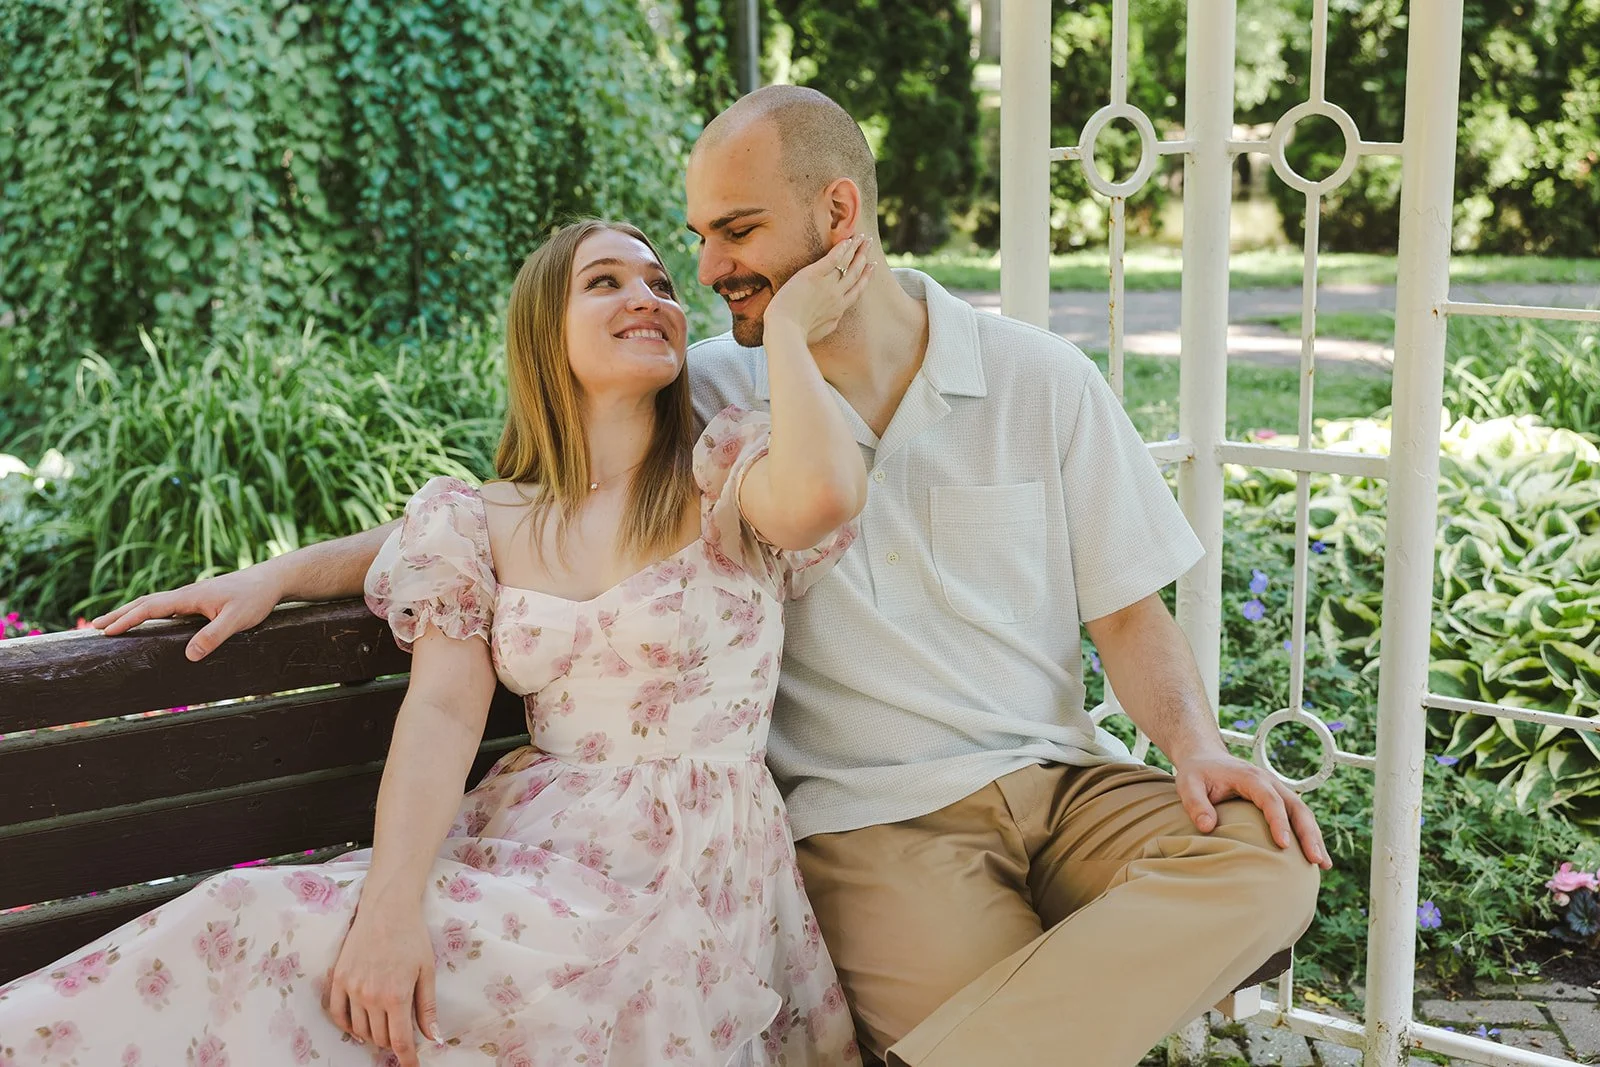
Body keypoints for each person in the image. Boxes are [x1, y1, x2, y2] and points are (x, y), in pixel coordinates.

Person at [89, 87, 1329, 1066]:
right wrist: (280, 570)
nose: (708, 267)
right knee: (999, 1024)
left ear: (836, 218)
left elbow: (1126, 604)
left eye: (735, 234)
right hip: (871, 821)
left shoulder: (1039, 378)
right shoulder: (720, 401)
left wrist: (1192, 743)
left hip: (1058, 775)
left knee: (1270, 865)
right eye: (696, 240)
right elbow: (519, 509)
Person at [0, 219, 873, 1067]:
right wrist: (390, 906)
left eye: (660, 283)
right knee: (256, 921)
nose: (647, 296)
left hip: (690, 870)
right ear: (543, 333)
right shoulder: (481, 520)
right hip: (537, 849)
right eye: (605, 282)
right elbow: (446, 710)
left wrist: (786, 332)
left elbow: (828, 496)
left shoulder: (726, 473)